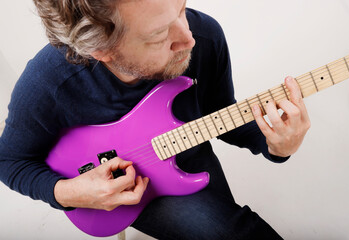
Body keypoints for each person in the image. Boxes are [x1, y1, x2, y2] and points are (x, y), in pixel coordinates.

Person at [0, 0, 310, 239]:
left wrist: (278, 144)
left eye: (181, 8)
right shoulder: (47, 83)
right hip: (132, 194)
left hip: (190, 155)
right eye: (159, 34)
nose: (188, 39)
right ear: (101, 50)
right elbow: (10, 161)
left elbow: (219, 112)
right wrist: (70, 193)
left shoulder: (205, 35)